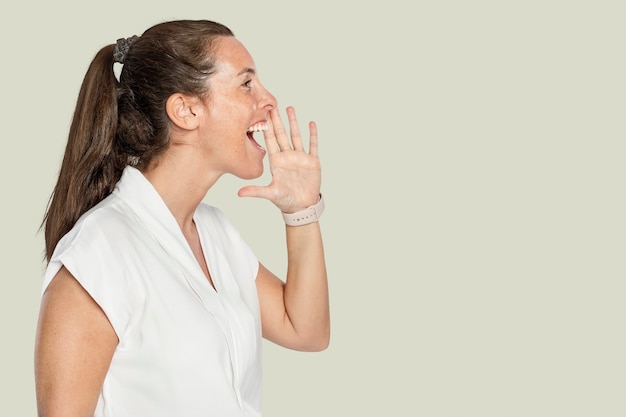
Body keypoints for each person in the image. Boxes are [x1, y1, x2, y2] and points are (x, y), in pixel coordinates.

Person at [34, 19, 330, 417]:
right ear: (186, 110)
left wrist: (301, 212)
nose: (268, 99)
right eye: (247, 84)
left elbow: (306, 330)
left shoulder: (215, 232)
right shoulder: (98, 255)